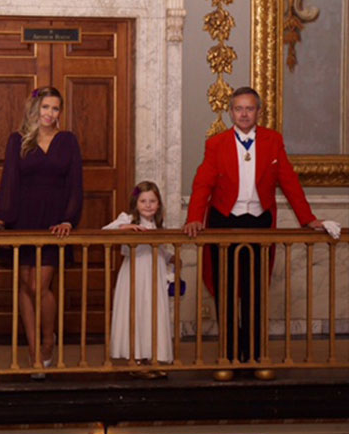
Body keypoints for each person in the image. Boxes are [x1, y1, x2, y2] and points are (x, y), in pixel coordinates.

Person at [184, 86, 324, 363]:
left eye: (249, 108)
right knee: (225, 288)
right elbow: (203, 184)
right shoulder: (216, 143)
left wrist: (308, 219)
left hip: (259, 222)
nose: (244, 114)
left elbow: (290, 183)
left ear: (258, 112)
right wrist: (193, 218)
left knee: (255, 288)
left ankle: (254, 351)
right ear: (231, 112)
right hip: (223, 220)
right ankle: (230, 349)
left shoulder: (273, 141)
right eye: (239, 108)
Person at [0, 86, 83, 378]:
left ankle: (48, 341)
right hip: (23, 218)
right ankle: (34, 353)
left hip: (55, 221)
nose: (50, 114)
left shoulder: (68, 140)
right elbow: (10, 178)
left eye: (55, 108)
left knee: (39, 286)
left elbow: (75, 183)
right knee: (24, 283)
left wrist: (69, 219)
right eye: (45, 107)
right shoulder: (17, 140)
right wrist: (4, 217)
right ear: (35, 109)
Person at [104, 181, 173, 377]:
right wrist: (125, 228)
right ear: (136, 203)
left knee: (153, 312)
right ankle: (135, 359)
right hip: (135, 272)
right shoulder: (127, 219)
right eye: (143, 201)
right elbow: (105, 231)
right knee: (136, 311)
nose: (148, 205)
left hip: (155, 272)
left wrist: (171, 258)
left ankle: (152, 357)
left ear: (158, 204)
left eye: (152, 201)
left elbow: (159, 249)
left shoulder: (158, 225)